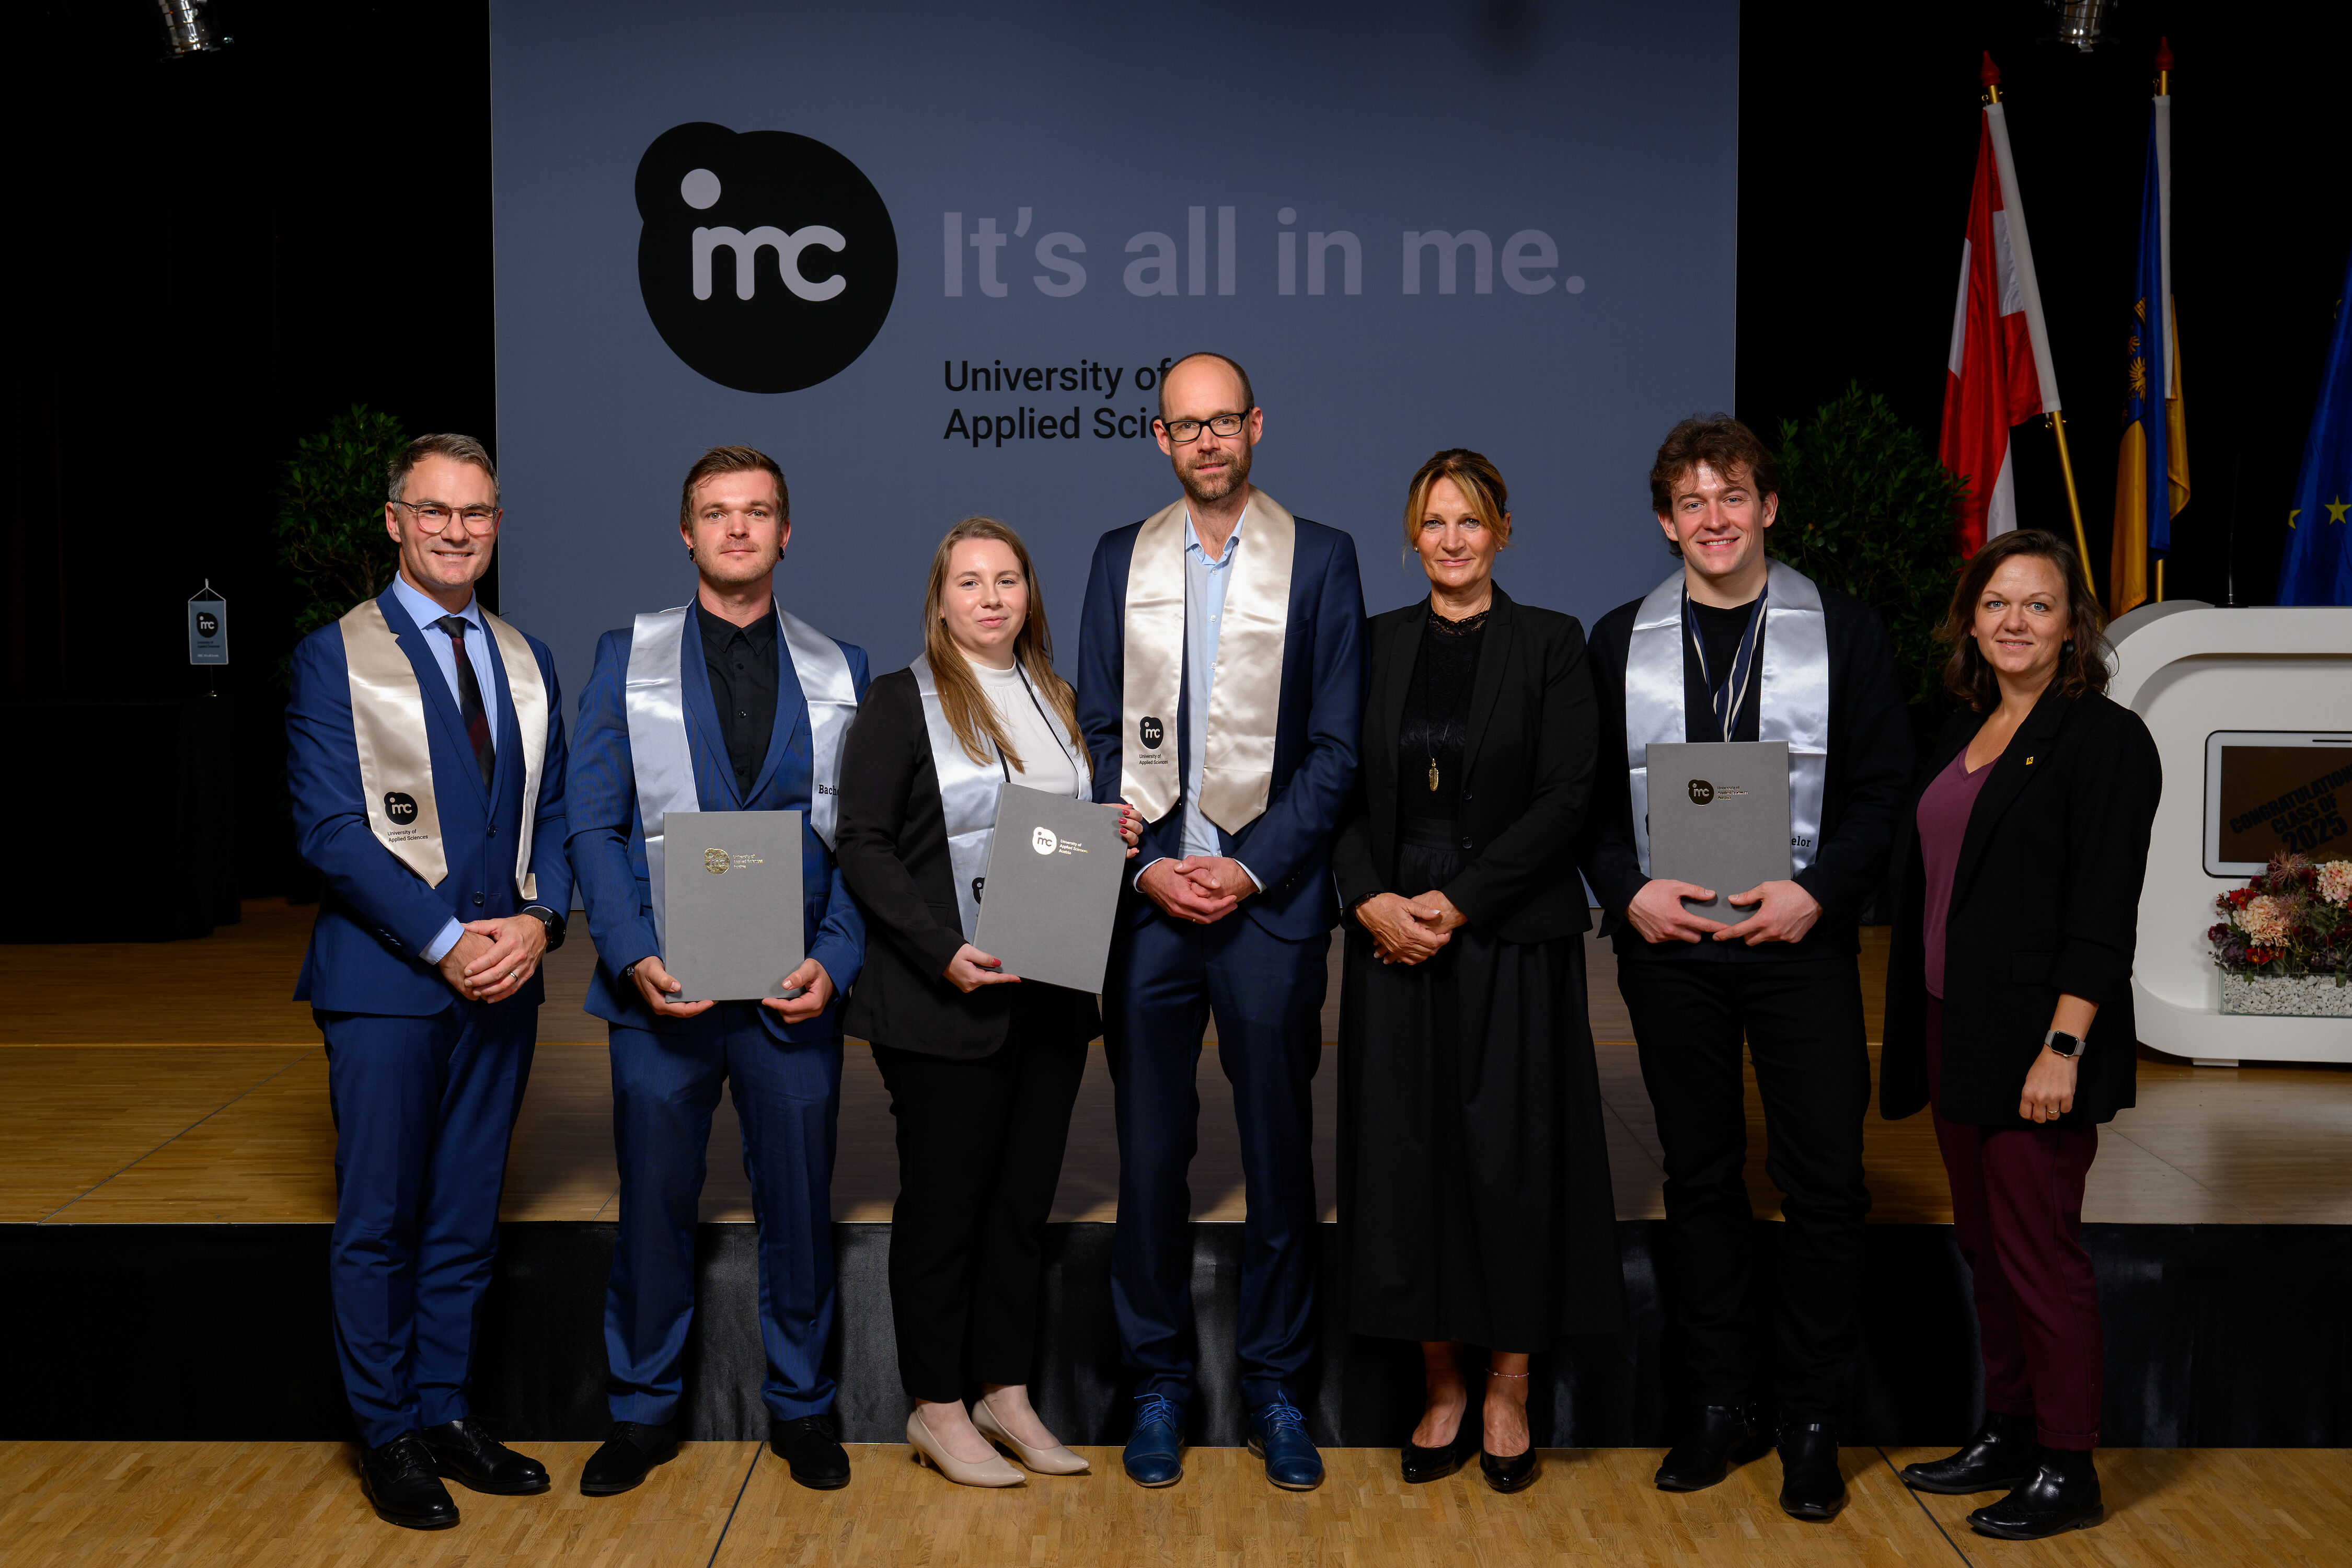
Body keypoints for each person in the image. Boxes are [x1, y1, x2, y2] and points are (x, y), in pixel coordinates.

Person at [1579, 416, 1911, 1520]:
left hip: (1799, 944)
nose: (1713, 519)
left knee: (1826, 1183)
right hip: (1670, 948)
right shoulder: (1620, 638)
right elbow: (1587, 803)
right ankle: (1721, 1402)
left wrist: (1819, 893)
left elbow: (1884, 790)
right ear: (1665, 522)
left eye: (1732, 497)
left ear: (1768, 507)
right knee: (1702, 1176)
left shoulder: (1845, 633)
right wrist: (1627, 891)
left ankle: (1812, 1417)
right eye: (1692, 502)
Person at [1076, 351, 1366, 1491]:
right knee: (1151, 1160)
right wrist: (1148, 868)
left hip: (1268, 908)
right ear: (1161, 439)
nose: (1206, 440)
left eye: (1224, 421)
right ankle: (1156, 1383)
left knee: (1278, 1160)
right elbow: (1100, 731)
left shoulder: (1322, 558)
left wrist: (1246, 869)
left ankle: (1278, 1388)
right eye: (1186, 425)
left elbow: (1336, 750)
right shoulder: (1121, 558)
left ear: (1255, 427)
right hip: (1150, 911)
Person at [566, 446, 868, 1497]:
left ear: (787, 532)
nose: (738, 528)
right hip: (664, 987)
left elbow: (863, 842)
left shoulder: (842, 669)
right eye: (716, 512)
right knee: (653, 1207)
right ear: (686, 533)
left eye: (758, 511)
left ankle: (803, 1406)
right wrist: (630, 952)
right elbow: (593, 823)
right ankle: (641, 1410)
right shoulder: (625, 657)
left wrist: (836, 960)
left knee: (800, 1209)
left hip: (794, 989)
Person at [286, 433, 572, 1530]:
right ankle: (388, 1431)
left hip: (505, 981)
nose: (458, 531)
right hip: (388, 985)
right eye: (436, 511)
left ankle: (446, 1410)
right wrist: (448, 939)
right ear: (395, 520)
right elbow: (329, 830)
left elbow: (553, 816)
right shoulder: (334, 656)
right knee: (381, 1217)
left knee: (464, 1214)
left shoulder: (527, 659)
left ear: (498, 524)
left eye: (478, 512)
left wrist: (540, 923)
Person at [1332, 449, 1624, 1494]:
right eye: (1433, 522)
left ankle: (1507, 1386)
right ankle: (1442, 1384)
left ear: (1504, 530)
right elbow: (1337, 785)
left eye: (1469, 521)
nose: (1451, 540)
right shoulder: (1373, 644)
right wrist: (1369, 897)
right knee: (1404, 1164)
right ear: (1411, 536)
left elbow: (1568, 797)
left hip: (1506, 937)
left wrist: (1458, 903)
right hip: (1390, 938)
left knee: (1510, 1165)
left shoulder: (1552, 643)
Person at [835, 517, 1143, 1486]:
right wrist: (940, 951)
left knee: (1019, 1209)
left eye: (1008, 579)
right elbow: (862, 844)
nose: (991, 597)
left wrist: (1109, 830)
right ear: (939, 602)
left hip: (1046, 997)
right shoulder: (902, 700)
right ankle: (935, 1405)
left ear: (1029, 595)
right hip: (946, 1000)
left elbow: (1050, 834)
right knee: (946, 1209)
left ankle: (1003, 1391)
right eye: (969, 582)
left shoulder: (1057, 697)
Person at [1882, 529, 2158, 1541]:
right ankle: (2007, 1431)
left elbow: (2105, 914)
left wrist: (2065, 1047)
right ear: (1969, 619)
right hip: (1955, 1025)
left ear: (2073, 626)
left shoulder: (2107, 740)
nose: (2014, 622)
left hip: (2040, 1041)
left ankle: (2068, 1465)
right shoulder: (1965, 727)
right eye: (1996, 602)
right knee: (1986, 1249)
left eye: (2038, 605)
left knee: (2040, 1254)